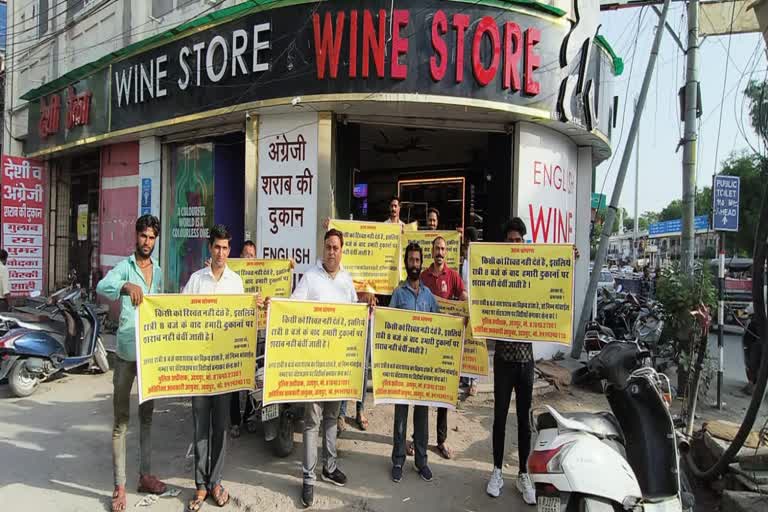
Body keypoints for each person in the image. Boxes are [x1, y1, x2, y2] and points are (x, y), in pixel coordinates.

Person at [183, 225, 261, 511]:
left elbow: (242, 320)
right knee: (200, 426)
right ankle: (200, 486)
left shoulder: (236, 283)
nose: (221, 253)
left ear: (230, 250)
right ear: (210, 248)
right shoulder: (196, 280)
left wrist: (255, 307)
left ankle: (215, 481)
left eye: (226, 247)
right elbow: (181, 315)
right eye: (217, 247)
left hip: (225, 367)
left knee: (220, 426)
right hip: (200, 367)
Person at [95, 215, 166, 512]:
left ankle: (145, 475)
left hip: (149, 355)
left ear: (156, 240)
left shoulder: (159, 272)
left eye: (151, 237)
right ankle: (120, 486)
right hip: (125, 353)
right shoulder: (125, 267)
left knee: (147, 418)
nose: (146, 242)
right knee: (121, 422)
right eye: (143, 236)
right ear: (136, 236)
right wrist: (125, 286)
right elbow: (102, 286)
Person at [291, 228, 362, 508]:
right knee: (312, 421)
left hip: (339, 366)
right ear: (322, 249)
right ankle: (308, 479)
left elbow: (355, 317)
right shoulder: (309, 278)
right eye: (328, 246)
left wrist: (367, 306)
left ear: (342, 250)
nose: (331, 251)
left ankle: (329, 467)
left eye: (336, 247)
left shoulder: (346, 281)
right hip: (314, 365)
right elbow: (293, 310)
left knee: (332, 418)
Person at [486, 217, 536, 505]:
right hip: (504, 360)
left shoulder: (532, 273)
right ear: (505, 243)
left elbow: (556, 276)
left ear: (523, 243)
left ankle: (522, 474)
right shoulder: (496, 274)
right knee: (500, 418)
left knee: (524, 421)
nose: (515, 245)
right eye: (511, 240)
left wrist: (569, 260)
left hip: (526, 361)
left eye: (519, 241)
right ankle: (496, 471)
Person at [390, 242, 440, 484]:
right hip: (401, 367)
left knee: (422, 416)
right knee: (400, 416)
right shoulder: (398, 294)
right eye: (410, 260)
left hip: (423, 369)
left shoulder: (429, 297)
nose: (414, 265)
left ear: (422, 263)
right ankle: (398, 459)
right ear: (406, 262)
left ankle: (421, 462)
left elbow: (440, 327)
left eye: (417, 261)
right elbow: (387, 326)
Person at [414, 236, 467, 460]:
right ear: (432, 251)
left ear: (447, 252)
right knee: (422, 395)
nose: (440, 252)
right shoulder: (424, 276)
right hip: (425, 343)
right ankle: (418, 439)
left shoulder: (453, 275)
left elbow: (463, 295)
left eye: (443, 249)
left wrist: (465, 304)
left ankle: (441, 440)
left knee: (443, 395)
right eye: (436, 248)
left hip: (445, 346)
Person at [230, 240, 257, 439]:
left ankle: (248, 417)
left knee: (250, 379)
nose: (249, 258)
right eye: (246, 254)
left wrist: (287, 268)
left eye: (252, 255)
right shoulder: (231, 277)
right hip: (234, 333)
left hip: (254, 333)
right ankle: (234, 421)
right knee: (234, 379)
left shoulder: (260, 275)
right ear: (240, 257)